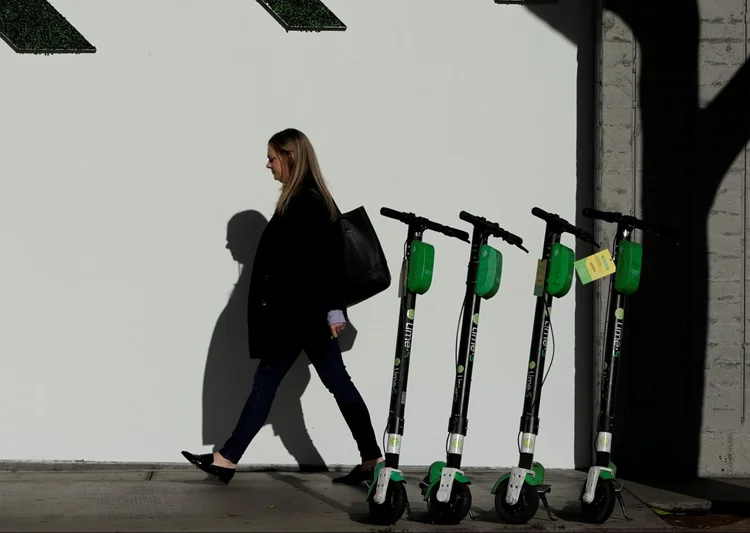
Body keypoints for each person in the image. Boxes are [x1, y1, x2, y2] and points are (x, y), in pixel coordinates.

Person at [182, 128, 384, 485]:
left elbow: (326, 260)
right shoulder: (303, 198)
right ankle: (371, 461)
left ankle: (226, 459)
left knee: (275, 384)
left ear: (290, 158)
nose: (268, 165)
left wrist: (335, 309)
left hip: (300, 316)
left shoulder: (305, 201)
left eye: (272, 157)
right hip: (302, 315)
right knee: (332, 383)